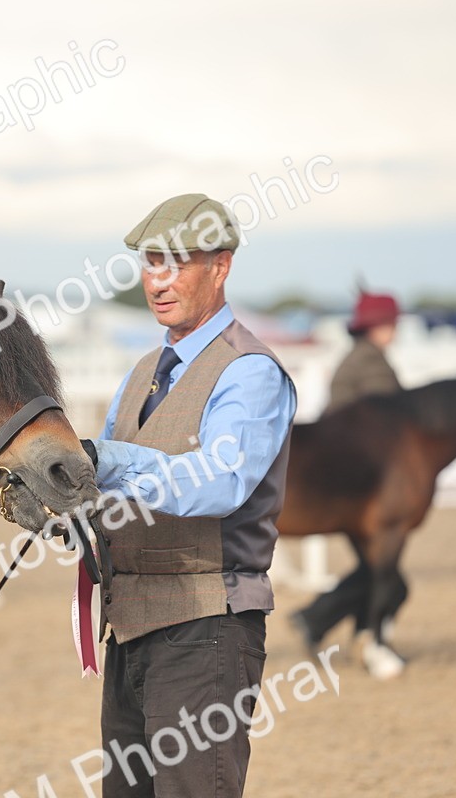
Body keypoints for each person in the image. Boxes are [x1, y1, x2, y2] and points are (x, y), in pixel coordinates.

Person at [79, 194, 297, 797]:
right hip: (130, 627)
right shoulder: (143, 369)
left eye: (175, 264)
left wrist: (113, 461)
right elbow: (101, 477)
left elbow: (222, 480)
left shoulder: (250, 371)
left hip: (208, 627)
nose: (158, 281)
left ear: (220, 267)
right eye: (150, 263)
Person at [290, 288, 408, 675]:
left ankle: (324, 623)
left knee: (381, 571)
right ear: (379, 326)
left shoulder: (362, 358)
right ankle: (337, 627)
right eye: (392, 322)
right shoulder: (370, 363)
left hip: (347, 466)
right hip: (352, 475)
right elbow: (396, 413)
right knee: (384, 573)